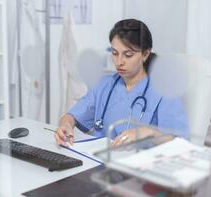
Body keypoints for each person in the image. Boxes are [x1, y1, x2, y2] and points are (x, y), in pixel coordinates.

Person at [54, 19, 189, 147]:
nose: (119, 61)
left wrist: (150, 132)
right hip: (100, 161)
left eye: (128, 55)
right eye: (114, 53)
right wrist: (66, 124)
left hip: (139, 167)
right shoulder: (104, 85)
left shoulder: (164, 92)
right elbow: (72, 116)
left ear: (145, 54)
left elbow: (179, 142)